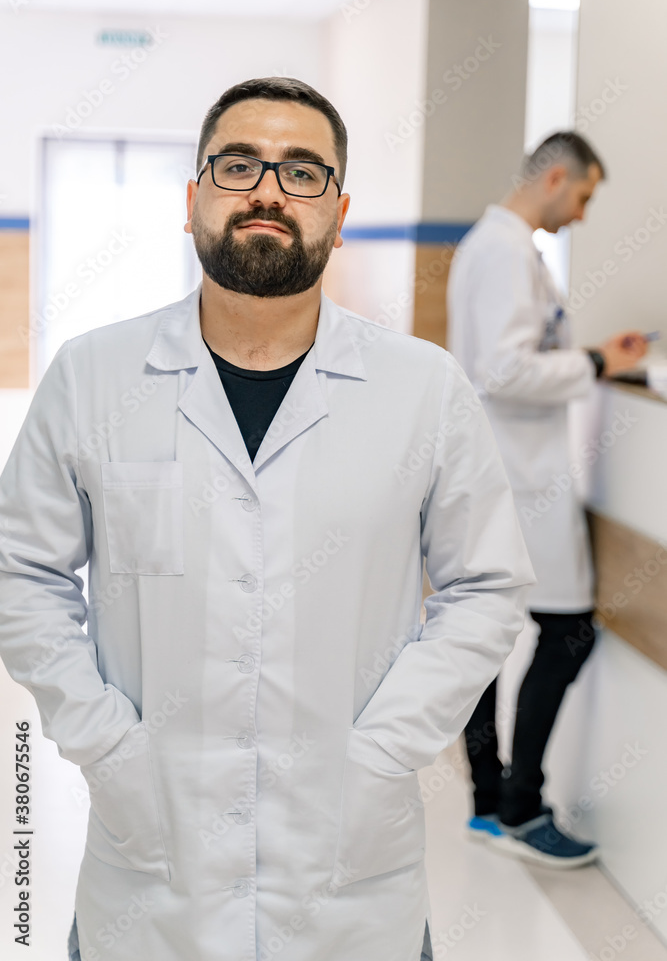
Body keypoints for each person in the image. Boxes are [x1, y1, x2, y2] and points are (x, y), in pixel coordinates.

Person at [0, 77, 535, 961]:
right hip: (151, 885)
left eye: (302, 171)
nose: (268, 190)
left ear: (338, 208)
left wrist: (384, 748)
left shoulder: (421, 388)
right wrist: (103, 740)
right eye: (238, 163)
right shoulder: (92, 377)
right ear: (192, 198)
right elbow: (22, 571)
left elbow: (486, 585)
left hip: (351, 887)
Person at [447, 131, 647, 868]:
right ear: (556, 177)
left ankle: (487, 805)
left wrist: (590, 358)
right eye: (585, 196)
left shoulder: (503, 246)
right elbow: (503, 369)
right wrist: (593, 361)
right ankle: (519, 807)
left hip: (508, 472)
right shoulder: (501, 249)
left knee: (487, 638)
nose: (585, 214)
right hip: (514, 475)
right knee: (562, 634)